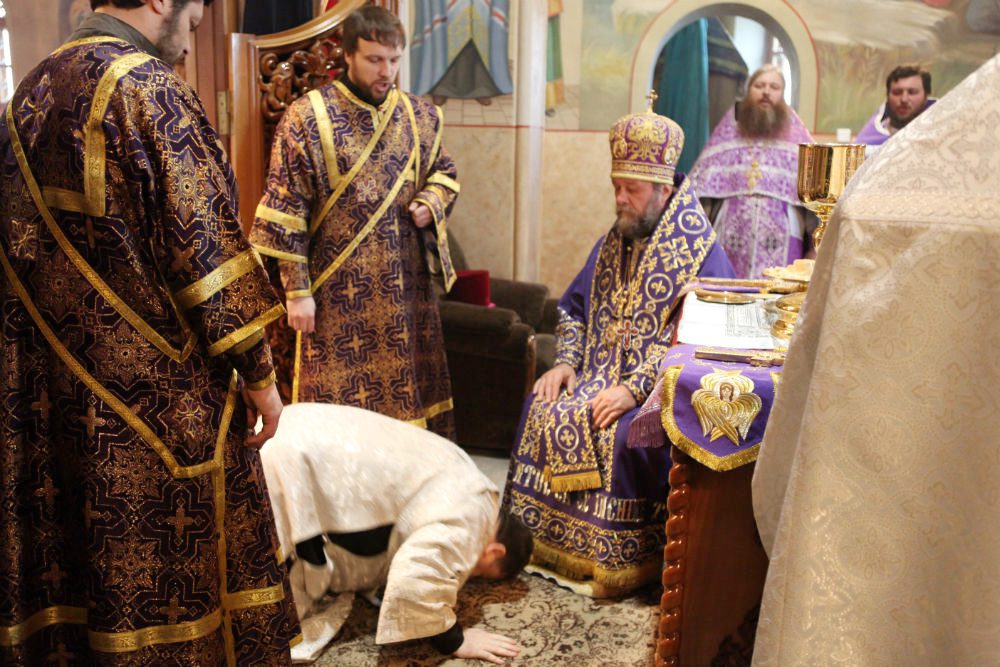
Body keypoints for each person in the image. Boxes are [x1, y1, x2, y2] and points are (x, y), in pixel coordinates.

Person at [0, 0, 299, 664]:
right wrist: (261, 377)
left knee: (77, 586)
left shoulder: (29, 94)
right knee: (178, 599)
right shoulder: (149, 89)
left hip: (48, 408)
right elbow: (210, 256)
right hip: (157, 418)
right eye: (193, 16)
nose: (191, 34)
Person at [752, 55, 1000, 665]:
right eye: (897, 90)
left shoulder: (886, 175)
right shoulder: (887, 156)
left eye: (913, 91)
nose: (904, 98)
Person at [504, 102, 735, 598]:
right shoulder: (614, 242)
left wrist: (633, 390)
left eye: (631, 189)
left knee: (622, 434)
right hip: (595, 375)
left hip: (662, 395)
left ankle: (616, 561)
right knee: (539, 405)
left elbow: (699, 338)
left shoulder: (701, 251)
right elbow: (573, 309)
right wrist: (566, 362)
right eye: (616, 187)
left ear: (663, 190)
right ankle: (538, 544)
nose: (620, 199)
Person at [250, 5, 459, 438]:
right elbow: (286, 208)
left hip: (404, 294)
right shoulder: (307, 117)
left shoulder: (419, 117)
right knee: (332, 417)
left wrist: (432, 200)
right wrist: (297, 292)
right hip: (333, 298)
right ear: (347, 55)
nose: (387, 71)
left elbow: (445, 173)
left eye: (394, 60)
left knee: (405, 416)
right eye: (375, 59)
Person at [260, 402, 533, 664]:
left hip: (288, 422)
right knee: (268, 623)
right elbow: (416, 575)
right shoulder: (474, 519)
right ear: (495, 551)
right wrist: (454, 640)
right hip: (288, 461)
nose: (466, 575)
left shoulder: (472, 478)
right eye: (480, 573)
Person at [688, 64, 815, 279]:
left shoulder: (797, 138)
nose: (766, 92)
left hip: (784, 240)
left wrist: (814, 249)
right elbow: (699, 190)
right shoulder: (727, 132)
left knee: (777, 294)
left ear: (782, 94)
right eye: (759, 85)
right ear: (748, 91)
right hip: (729, 237)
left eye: (774, 87)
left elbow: (816, 198)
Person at [856, 64, 936, 146]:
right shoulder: (868, 142)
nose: (904, 99)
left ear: (926, 96)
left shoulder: (938, 137)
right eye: (897, 92)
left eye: (912, 92)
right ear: (887, 95)